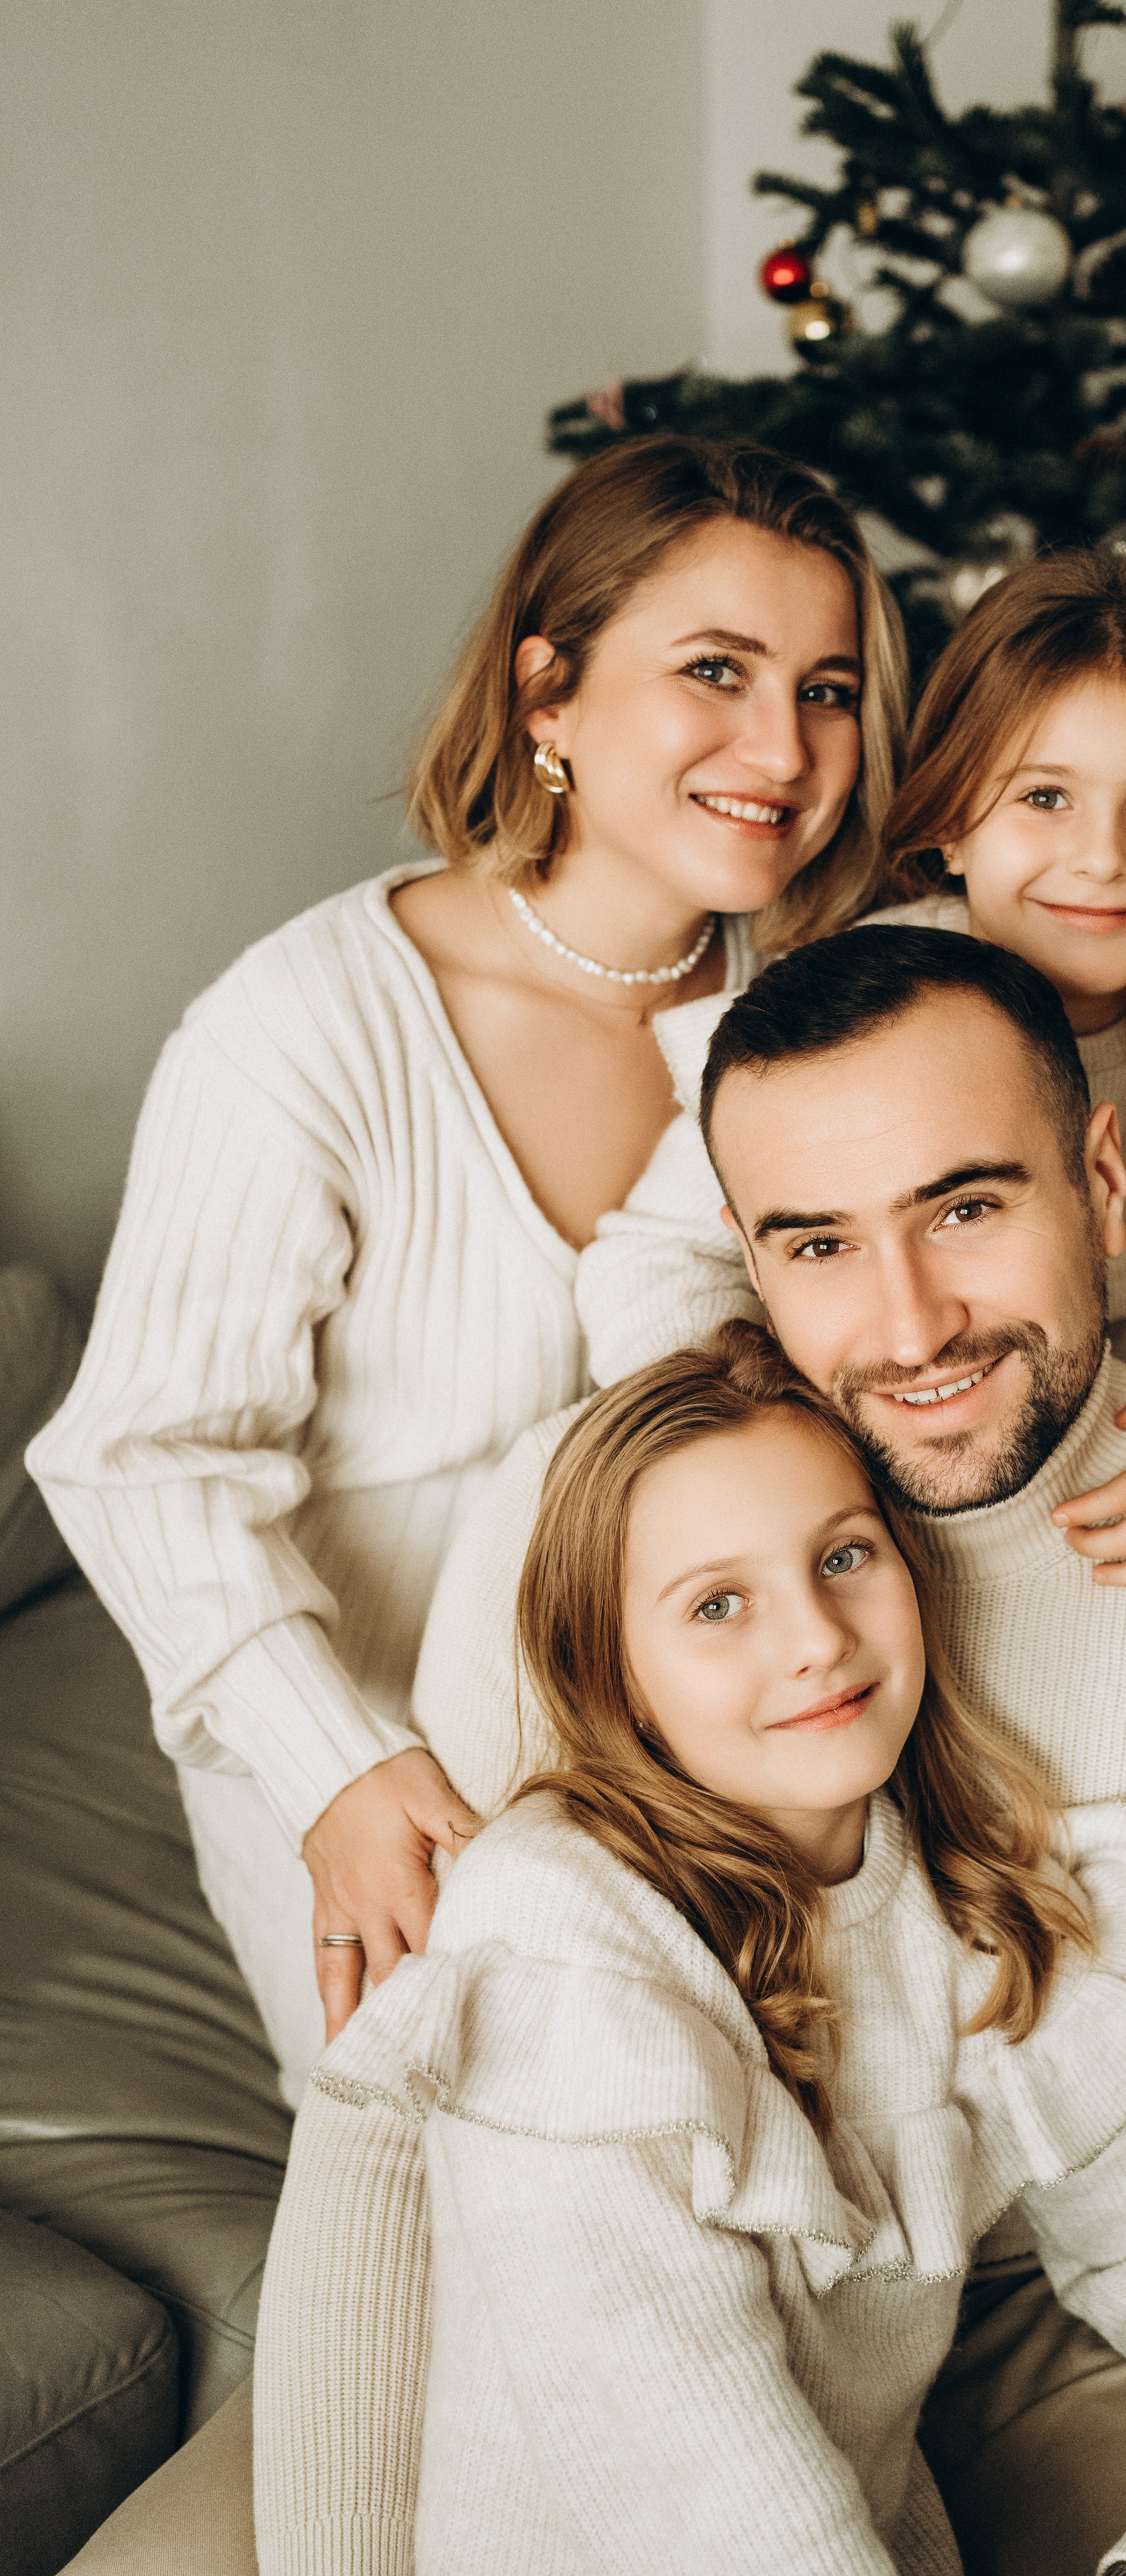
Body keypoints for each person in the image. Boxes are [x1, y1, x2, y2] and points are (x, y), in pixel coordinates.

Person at [416, 928, 1126, 2576]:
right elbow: (432, 2099)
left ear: (1099, 1176)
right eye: (819, 1243)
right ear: (744, 1253)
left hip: (1085, 2273)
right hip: (613, 2338)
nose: (910, 1324)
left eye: (965, 1208)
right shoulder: (593, 1524)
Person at [26, 432, 907, 2102]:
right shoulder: (300, 1030)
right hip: (393, 1766)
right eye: (714, 671)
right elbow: (137, 1462)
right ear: (548, 695)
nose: (783, 747)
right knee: (512, 2188)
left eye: (829, 689)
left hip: (736, 1734)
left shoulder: (823, 1008)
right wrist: (337, 1771)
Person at [254, 1321, 1126, 2574]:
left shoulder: (973, 1898)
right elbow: (706, 2474)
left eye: (844, 1556)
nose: (815, 1639)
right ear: (617, 1676)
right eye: (717, 1604)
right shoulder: (563, 1934)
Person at [576, 547, 1126, 1595]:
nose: (1102, 857)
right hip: (856, 1479)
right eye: (1045, 798)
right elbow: (648, 1268)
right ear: (955, 822)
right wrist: (781, 1443)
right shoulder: (842, 1010)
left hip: (1064, 1501)